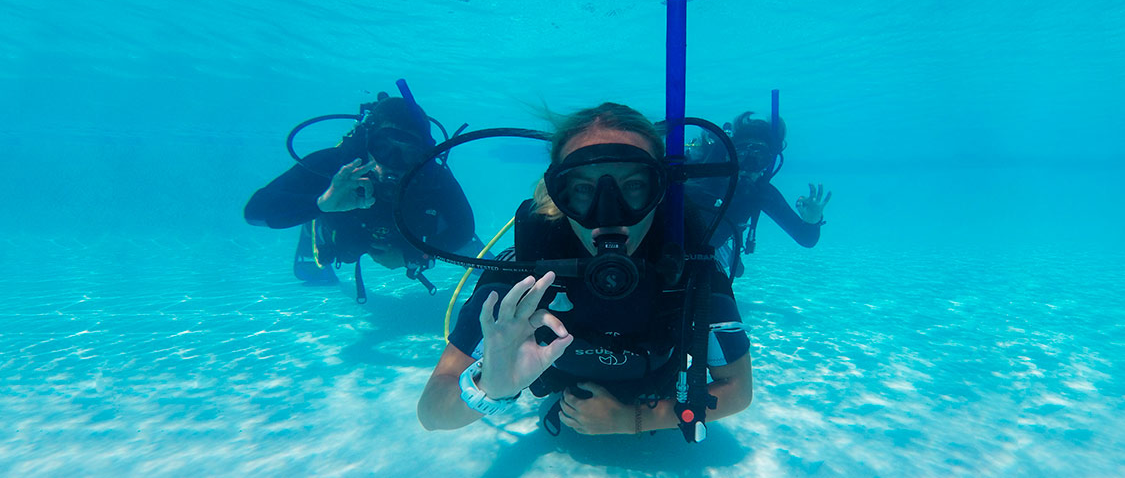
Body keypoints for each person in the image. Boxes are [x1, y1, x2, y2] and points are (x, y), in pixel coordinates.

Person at [417, 103, 752, 437]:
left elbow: (738, 389)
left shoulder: (688, 269)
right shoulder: (522, 277)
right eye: (581, 189)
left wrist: (634, 419)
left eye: (634, 185)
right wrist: (491, 387)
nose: (609, 213)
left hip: (654, 399)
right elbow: (432, 411)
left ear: (659, 190)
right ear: (558, 194)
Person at [244, 94, 477, 296]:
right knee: (343, 245)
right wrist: (320, 204)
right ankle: (314, 227)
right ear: (367, 142)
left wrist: (413, 255)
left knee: (460, 244)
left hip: (405, 238)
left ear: (423, 154)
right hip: (346, 229)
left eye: (409, 153)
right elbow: (254, 212)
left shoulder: (432, 176)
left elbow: (464, 229)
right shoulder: (335, 165)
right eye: (383, 149)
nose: (393, 164)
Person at [686, 111, 830, 279]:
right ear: (730, 156)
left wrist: (812, 221)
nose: (749, 166)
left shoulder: (760, 192)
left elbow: (806, 239)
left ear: (768, 163)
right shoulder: (702, 178)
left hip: (709, 245)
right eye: (742, 156)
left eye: (759, 158)